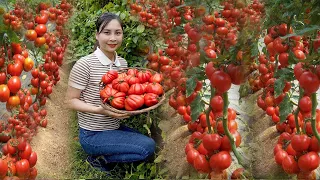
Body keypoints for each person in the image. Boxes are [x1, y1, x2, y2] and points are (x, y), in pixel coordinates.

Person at [65, 12, 156, 172]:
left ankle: (105, 153)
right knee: (147, 148)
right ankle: (99, 158)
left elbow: (123, 96)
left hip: (114, 127)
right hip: (92, 134)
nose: (113, 38)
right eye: (107, 32)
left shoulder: (122, 63)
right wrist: (99, 110)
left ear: (122, 35)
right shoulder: (84, 64)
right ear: (97, 35)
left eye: (117, 33)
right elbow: (70, 101)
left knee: (148, 142)